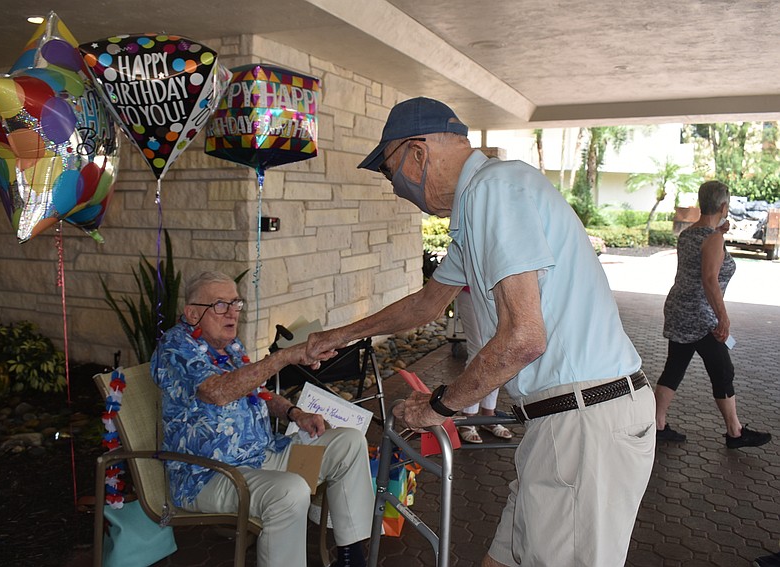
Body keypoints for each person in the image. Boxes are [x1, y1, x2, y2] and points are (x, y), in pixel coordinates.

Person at [306, 97, 656, 567]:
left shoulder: (496, 190)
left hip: (582, 423)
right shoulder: (478, 208)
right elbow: (426, 304)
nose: (395, 188)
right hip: (563, 422)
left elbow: (525, 337)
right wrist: (341, 335)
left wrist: (441, 406)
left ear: (416, 153)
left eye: (390, 172)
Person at [151, 271, 374, 567]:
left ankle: (351, 557)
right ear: (192, 313)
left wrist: (295, 413)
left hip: (263, 456)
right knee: (290, 491)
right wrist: (282, 358)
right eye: (220, 305)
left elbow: (259, 391)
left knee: (349, 441)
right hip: (210, 475)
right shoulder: (175, 348)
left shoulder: (231, 347)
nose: (232, 313)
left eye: (235, 303)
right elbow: (217, 392)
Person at [654, 180, 771, 449]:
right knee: (723, 370)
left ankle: (657, 425)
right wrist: (723, 318)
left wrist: (718, 229)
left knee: (674, 368)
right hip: (699, 317)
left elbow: (703, 251)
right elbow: (710, 280)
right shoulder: (713, 238)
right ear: (723, 206)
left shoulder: (689, 234)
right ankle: (735, 432)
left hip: (679, 310)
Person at [454, 286, 513, 443]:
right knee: (478, 352)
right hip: (471, 290)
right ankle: (467, 417)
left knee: (497, 350)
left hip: (500, 290)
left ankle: (489, 414)